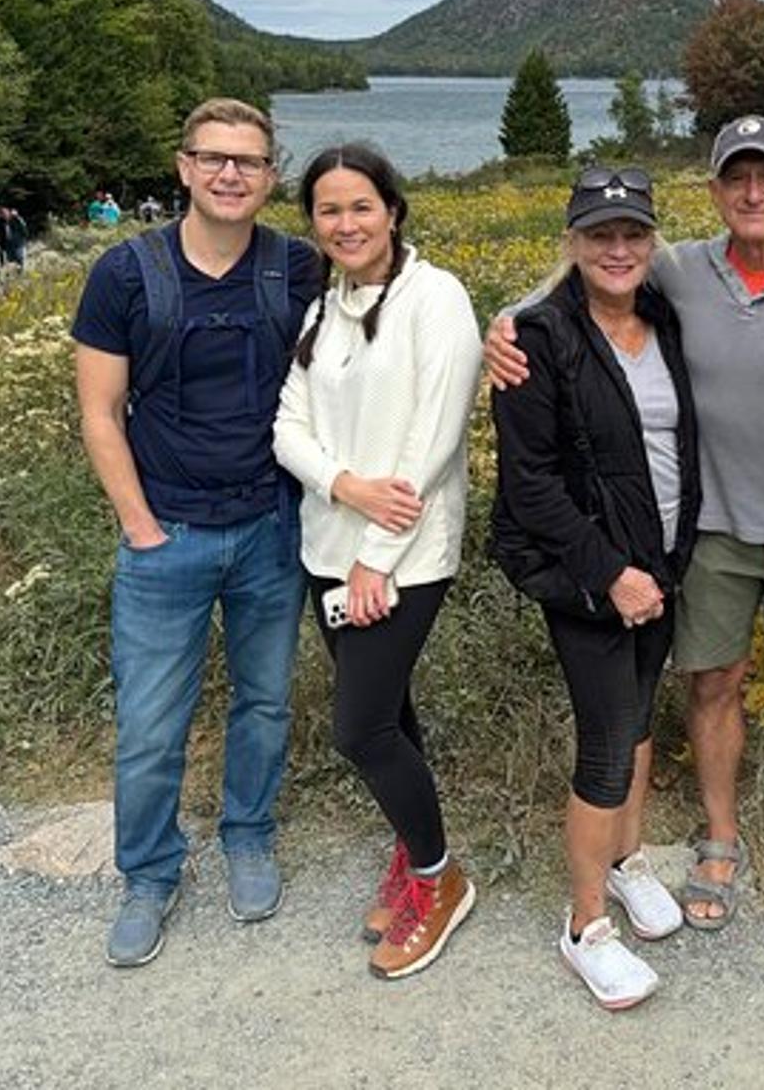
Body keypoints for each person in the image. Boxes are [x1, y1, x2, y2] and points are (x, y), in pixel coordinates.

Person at [486, 116, 764, 955]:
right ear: (713, 192)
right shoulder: (680, 273)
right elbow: (577, 285)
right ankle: (718, 843)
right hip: (706, 537)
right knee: (711, 688)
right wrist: (499, 324)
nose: (753, 193)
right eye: (735, 179)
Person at [71, 98, 325, 968]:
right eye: (213, 158)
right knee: (150, 722)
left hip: (269, 526)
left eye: (248, 162)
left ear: (269, 175)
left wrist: (508, 324)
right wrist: (139, 527)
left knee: (263, 702)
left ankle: (246, 836)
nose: (229, 174)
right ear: (182, 166)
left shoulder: (297, 268)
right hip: (165, 535)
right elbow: (100, 413)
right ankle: (148, 874)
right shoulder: (123, 274)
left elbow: (396, 304)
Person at [489, 167, 699, 1009]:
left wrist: (651, 569)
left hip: (662, 565)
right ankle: (585, 927)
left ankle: (626, 860)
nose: (618, 248)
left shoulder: (664, 319)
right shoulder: (539, 337)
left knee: (641, 720)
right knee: (608, 740)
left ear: (651, 243)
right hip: (591, 576)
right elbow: (530, 482)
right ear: (573, 242)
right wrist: (610, 573)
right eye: (600, 234)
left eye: (633, 234)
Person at [273, 142, 482, 981]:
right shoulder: (323, 309)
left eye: (362, 206)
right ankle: (411, 849)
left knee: (359, 728)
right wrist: (345, 485)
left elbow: (432, 443)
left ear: (393, 210)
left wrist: (377, 558)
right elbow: (286, 427)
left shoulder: (437, 299)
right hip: (327, 546)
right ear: (314, 225)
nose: (347, 223)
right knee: (391, 715)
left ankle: (438, 877)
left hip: (404, 557)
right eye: (329, 210)